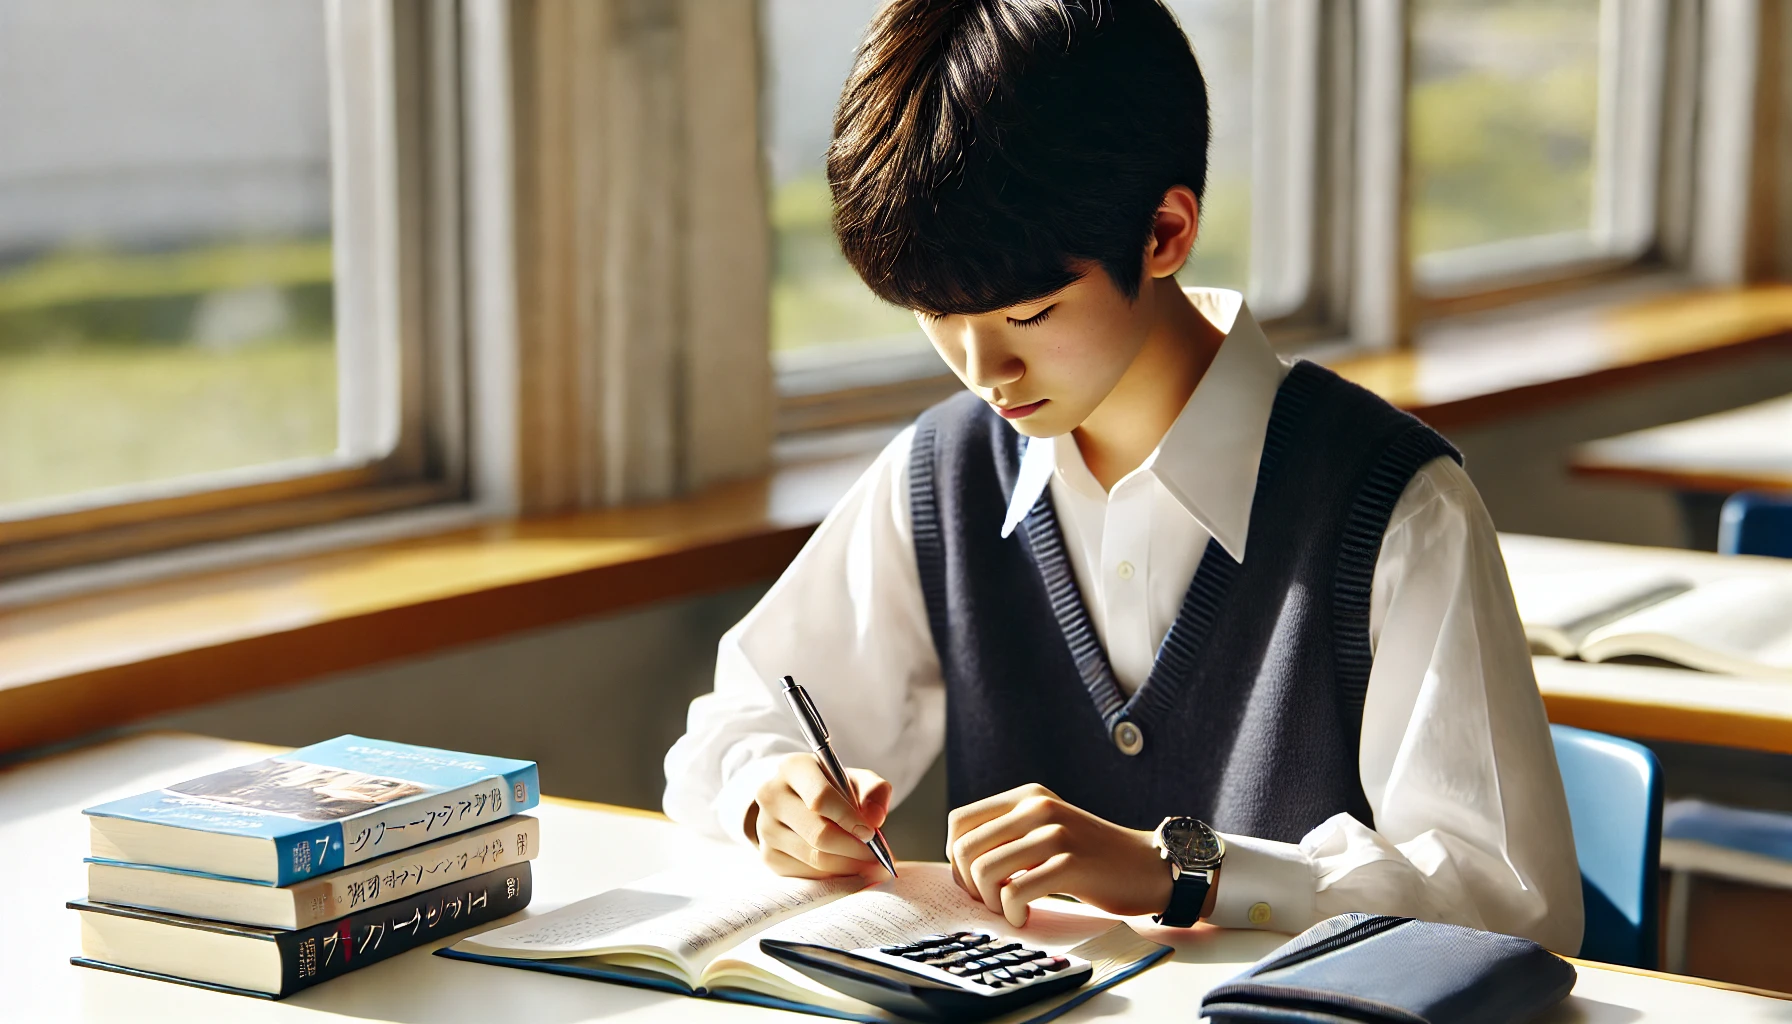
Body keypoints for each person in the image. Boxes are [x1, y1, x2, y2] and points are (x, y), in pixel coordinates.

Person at [664, 0, 1582, 952]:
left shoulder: (1392, 507)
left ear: (1165, 232)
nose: (984, 372)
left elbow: (1516, 904)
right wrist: (773, 793)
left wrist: (1180, 869)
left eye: (1029, 316)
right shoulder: (947, 473)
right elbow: (728, 733)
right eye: (935, 316)